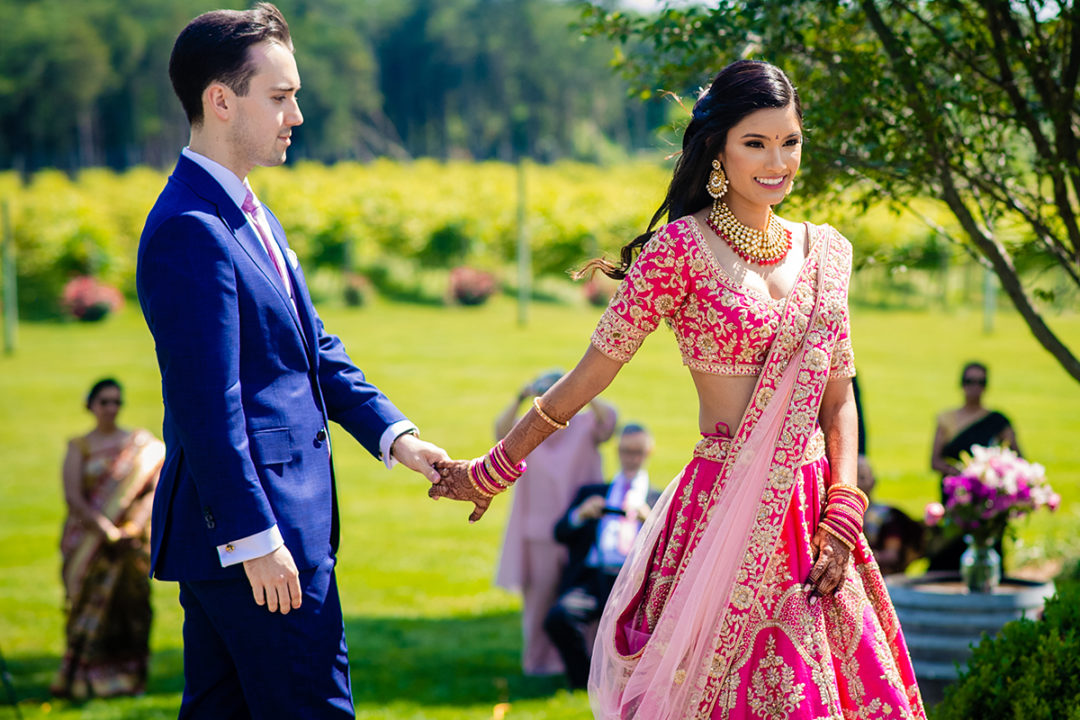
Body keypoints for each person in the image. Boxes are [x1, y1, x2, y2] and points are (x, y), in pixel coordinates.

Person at [431, 60, 925, 718]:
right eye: (756, 143)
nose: (777, 161)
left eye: (790, 141)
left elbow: (839, 398)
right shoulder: (679, 252)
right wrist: (494, 467)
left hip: (813, 520)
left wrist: (843, 510)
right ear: (717, 148)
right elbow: (589, 377)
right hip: (721, 511)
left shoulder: (825, 253)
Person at [135, 5, 448, 717]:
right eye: (279, 96)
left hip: (256, 534)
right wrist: (255, 539)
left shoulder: (248, 211)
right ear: (221, 101)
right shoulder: (193, 228)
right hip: (259, 539)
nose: (296, 115)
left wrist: (397, 438)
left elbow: (314, 353)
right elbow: (207, 406)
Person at [493, 370, 617, 675]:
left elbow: (611, 424)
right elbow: (501, 434)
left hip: (581, 527)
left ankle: (583, 661)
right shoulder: (530, 430)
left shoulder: (586, 424)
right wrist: (520, 397)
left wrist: (585, 392)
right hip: (541, 530)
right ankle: (537, 662)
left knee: (581, 592)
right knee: (539, 599)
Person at [51, 379, 165, 699]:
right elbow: (74, 497)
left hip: (131, 546)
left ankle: (131, 679)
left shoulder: (141, 446)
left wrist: (130, 530)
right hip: (89, 544)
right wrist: (106, 531)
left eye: (116, 401)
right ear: (91, 405)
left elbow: (153, 492)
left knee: (133, 610)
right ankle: (86, 679)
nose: (111, 408)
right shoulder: (79, 446)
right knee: (87, 611)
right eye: (104, 402)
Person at [544, 424, 660, 690]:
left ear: (648, 452)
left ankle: (634, 687)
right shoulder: (593, 492)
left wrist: (649, 520)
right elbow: (559, 533)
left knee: (646, 630)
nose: (631, 458)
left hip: (634, 580)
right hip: (594, 577)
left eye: (637, 452)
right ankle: (585, 682)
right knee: (559, 618)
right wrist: (580, 515)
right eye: (625, 451)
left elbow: (674, 545)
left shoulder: (658, 498)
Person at [927, 361, 1019, 571]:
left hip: (987, 500)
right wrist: (961, 475)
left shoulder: (998, 421)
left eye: (980, 382)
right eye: (970, 381)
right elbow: (935, 461)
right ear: (962, 384)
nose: (974, 387)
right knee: (949, 550)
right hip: (955, 497)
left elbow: (1016, 455)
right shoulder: (947, 419)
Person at [857, 456, 923, 575]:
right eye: (853, 477)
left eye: (862, 477)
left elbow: (892, 555)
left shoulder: (886, 515)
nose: (857, 483)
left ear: (874, 481)